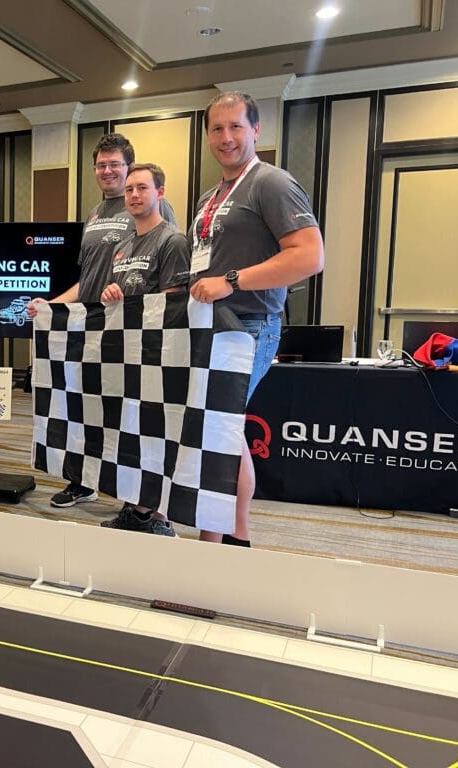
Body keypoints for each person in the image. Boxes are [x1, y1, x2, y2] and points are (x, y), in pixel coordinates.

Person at [189, 91, 324, 547]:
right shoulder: (211, 196)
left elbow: (310, 256)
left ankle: (226, 541)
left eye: (236, 127)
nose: (225, 137)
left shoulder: (271, 183)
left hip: (249, 326)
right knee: (220, 431)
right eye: (217, 128)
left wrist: (232, 280)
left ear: (256, 130)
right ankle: (226, 537)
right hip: (211, 326)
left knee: (221, 431)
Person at [28, 133, 178, 509]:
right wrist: (53, 305)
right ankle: (83, 481)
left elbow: (165, 274)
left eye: (115, 164)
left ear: (129, 167)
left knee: (127, 409)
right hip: (88, 321)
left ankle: (135, 494)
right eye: (101, 165)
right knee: (85, 404)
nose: (107, 171)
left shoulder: (152, 210)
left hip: (129, 326)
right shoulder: (94, 215)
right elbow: (88, 278)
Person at [99, 162, 190, 536]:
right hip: (127, 352)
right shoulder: (121, 247)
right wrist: (111, 294)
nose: (134, 195)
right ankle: (135, 507)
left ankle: (158, 517)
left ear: (160, 193)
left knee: (157, 431)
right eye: (130, 189)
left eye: (142, 188)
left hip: (158, 354)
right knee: (130, 430)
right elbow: (117, 296)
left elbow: (174, 303)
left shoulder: (173, 241)